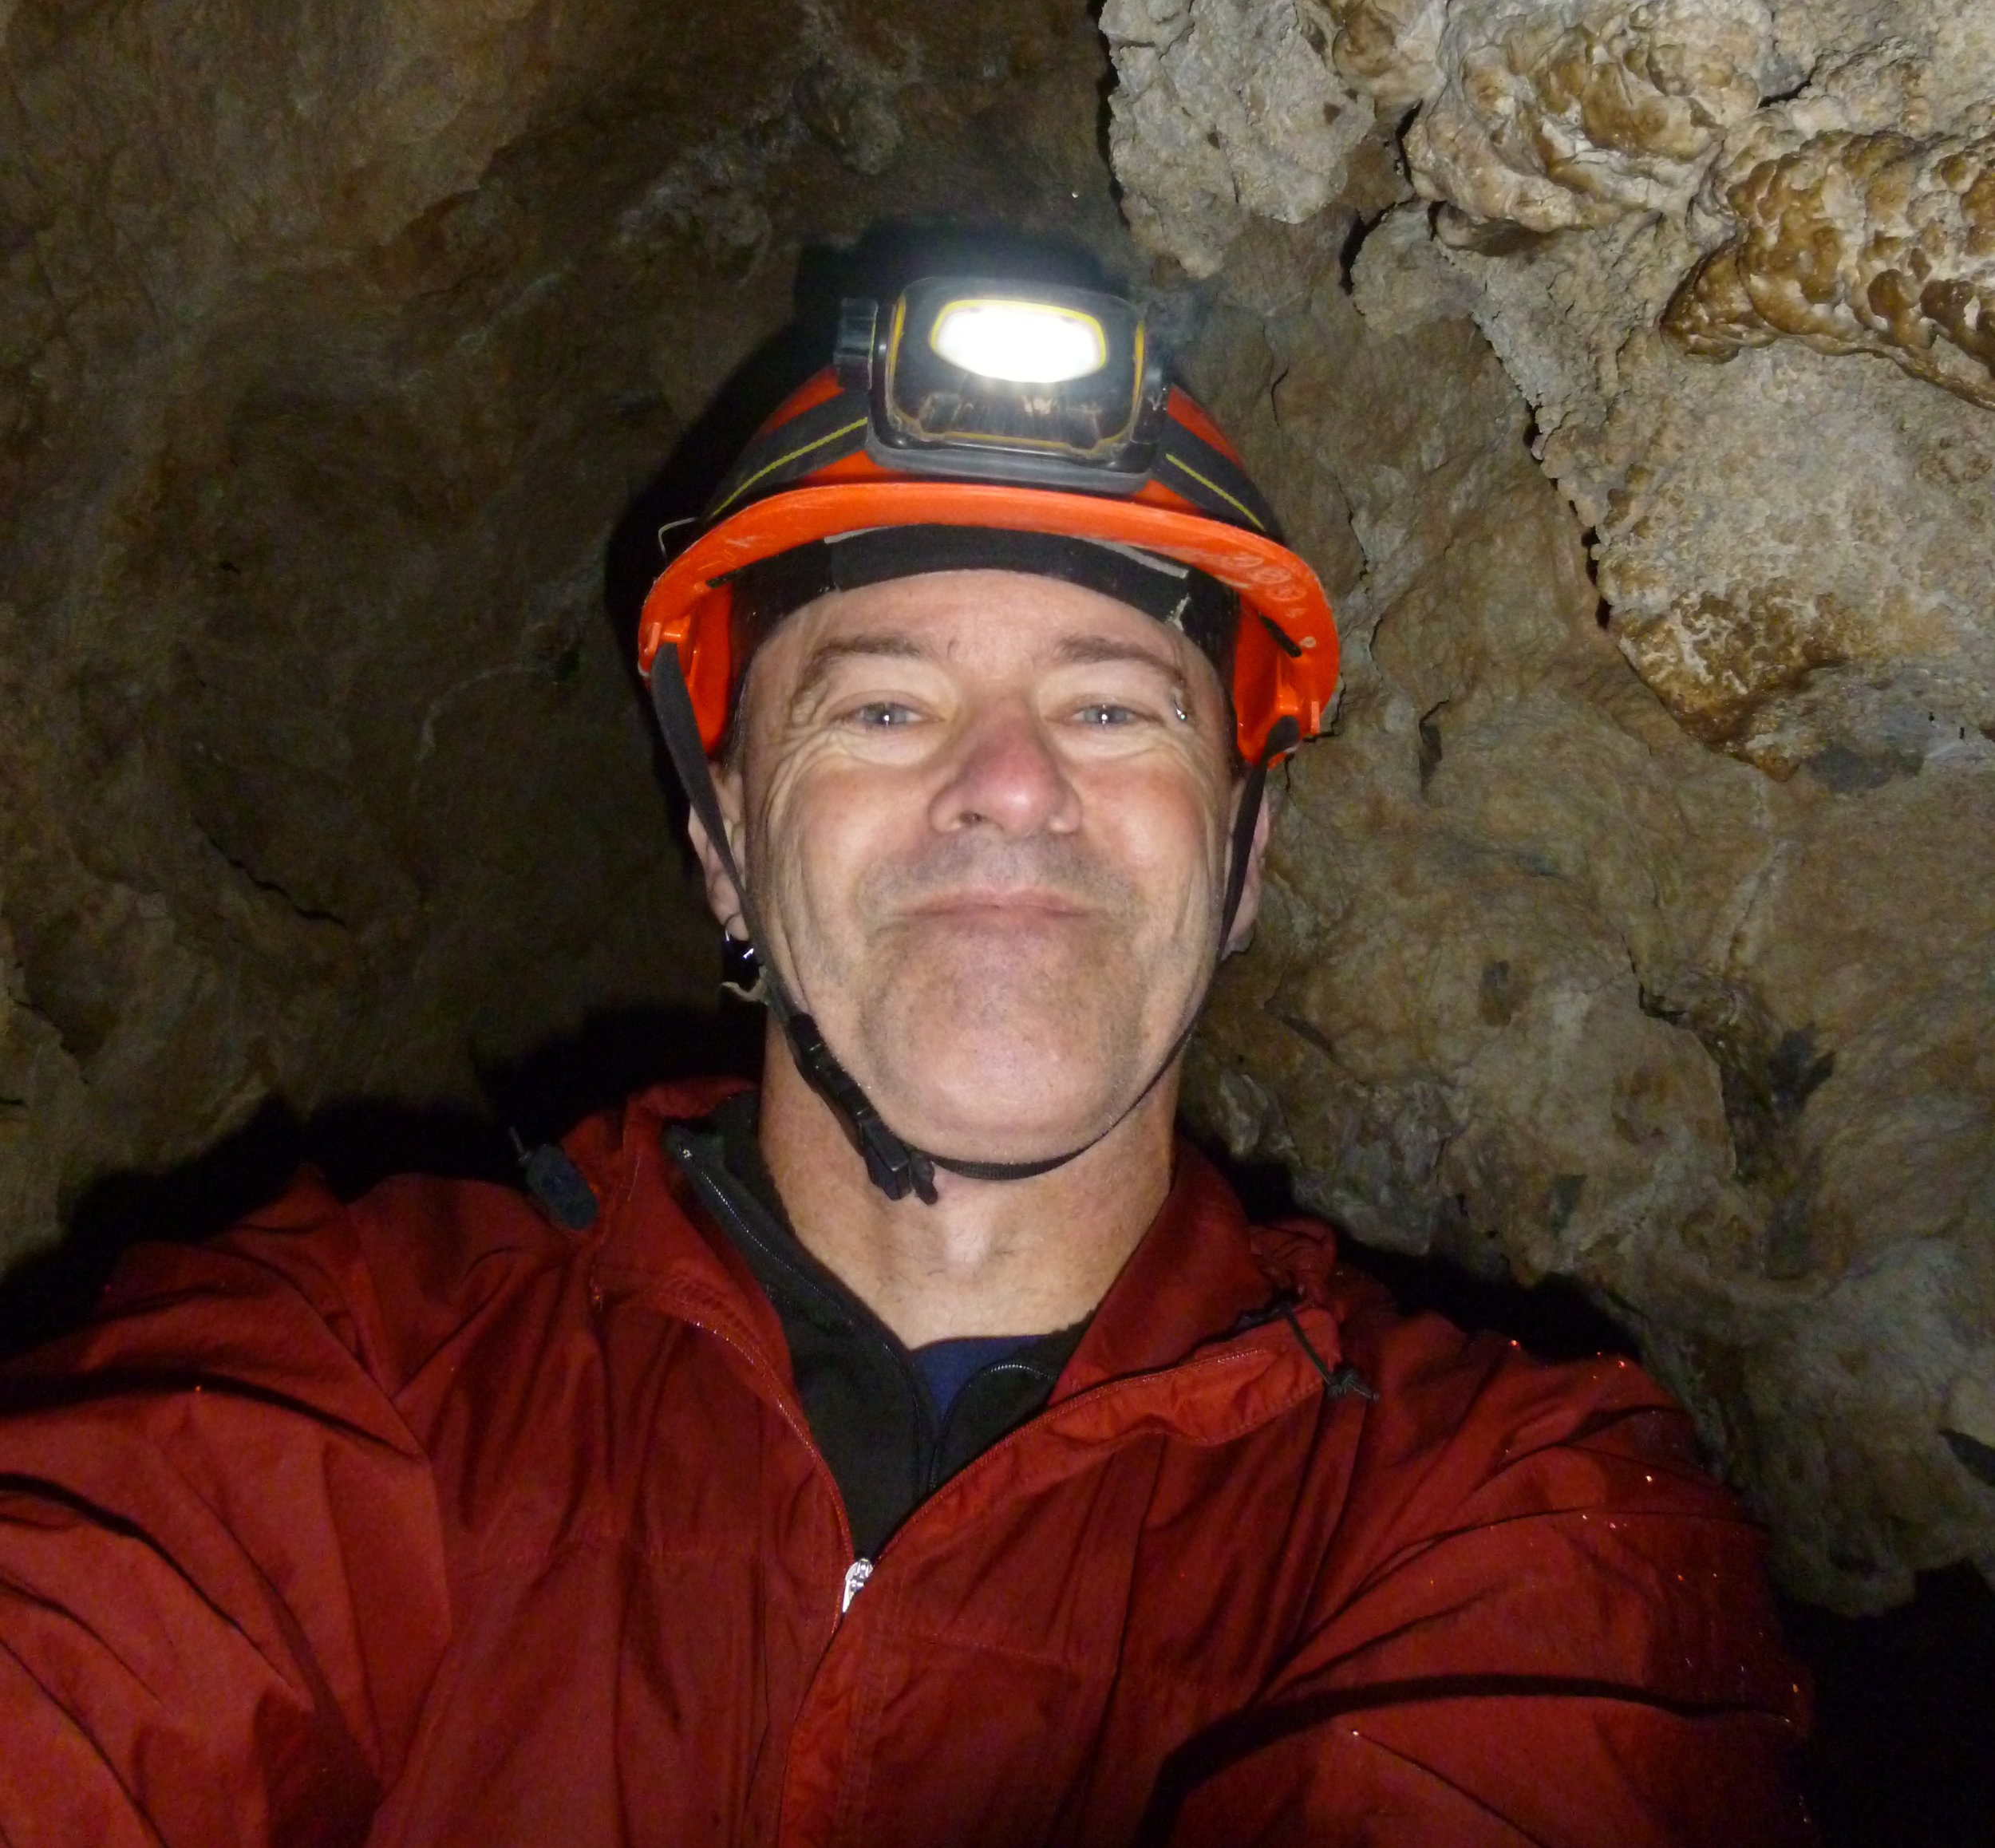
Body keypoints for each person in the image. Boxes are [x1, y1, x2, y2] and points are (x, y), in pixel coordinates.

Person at [0, 273, 1809, 1844]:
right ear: (720, 845)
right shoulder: (356, 1359)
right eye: (881, 703)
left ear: (1246, 856)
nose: (1009, 782)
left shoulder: (1498, 1507)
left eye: (1109, 704)